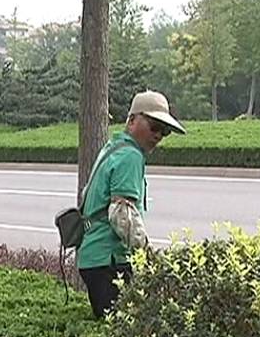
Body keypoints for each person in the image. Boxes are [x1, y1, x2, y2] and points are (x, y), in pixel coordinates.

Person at [77, 90, 185, 318]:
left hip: (94, 258)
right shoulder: (131, 156)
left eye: (164, 131)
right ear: (132, 120)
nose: (158, 135)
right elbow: (121, 214)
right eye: (154, 126)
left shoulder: (113, 147)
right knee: (122, 329)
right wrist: (148, 257)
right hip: (110, 261)